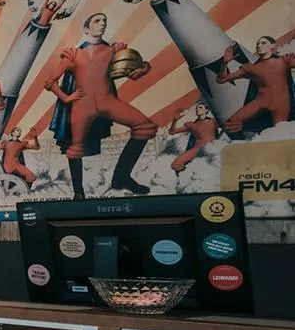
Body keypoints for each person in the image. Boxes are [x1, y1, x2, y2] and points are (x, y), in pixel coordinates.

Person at [45, 12, 156, 199]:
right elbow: (50, 82)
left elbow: (139, 63)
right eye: (97, 20)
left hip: (107, 101)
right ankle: (78, 193)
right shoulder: (73, 54)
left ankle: (121, 177)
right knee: (75, 148)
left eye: (104, 20)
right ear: (87, 28)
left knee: (145, 127)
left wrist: (142, 69)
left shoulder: (113, 50)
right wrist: (66, 98)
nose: (102, 23)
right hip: (82, 106)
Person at [216, 29, 295, 135]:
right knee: (230, 124)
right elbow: (222, 79)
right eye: (257, 44)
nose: (259, 45)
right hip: (261, 101)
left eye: (263, 43)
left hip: (281, 104)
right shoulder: (250, 68)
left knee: (280, 133)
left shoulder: (283, 60)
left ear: (272, 45)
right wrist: (225, 63)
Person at [169, 103, 219, 173]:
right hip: (197, 150)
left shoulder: (213, 121)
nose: (197, 109)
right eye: (196, 108)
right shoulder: (192, 125)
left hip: (212, 147)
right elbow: (172, 132)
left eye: (200, 108)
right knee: (176, 164)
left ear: (206, 110)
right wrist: (175, 120)